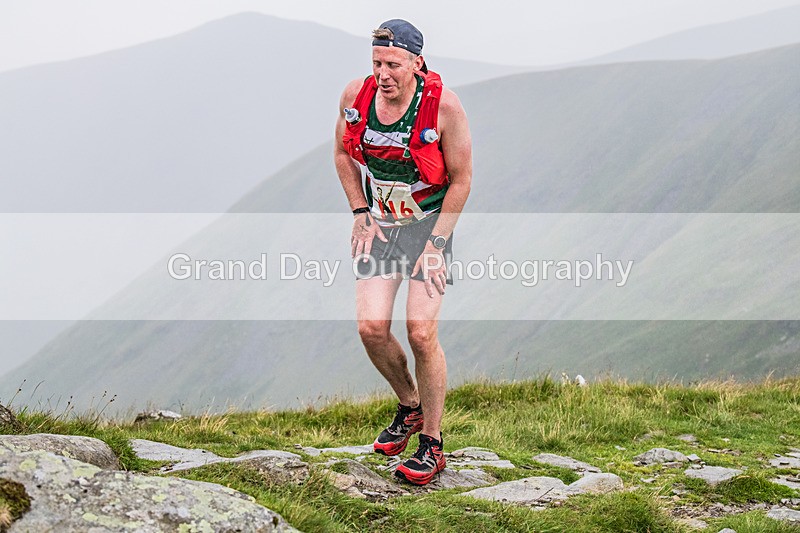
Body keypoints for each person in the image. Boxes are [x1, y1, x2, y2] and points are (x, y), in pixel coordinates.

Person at [333, 19, 472, 486]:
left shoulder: (443, 107)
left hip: (429, 229)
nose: (383, 73)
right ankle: (409, 405)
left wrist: (436, 245)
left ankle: (432, 443)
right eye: (376, 63)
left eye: (393, 64)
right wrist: (359, 211)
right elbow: (340, 154)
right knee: (371, 328)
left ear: (416, 61)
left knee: (420, 331)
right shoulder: (357, 97)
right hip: (382, 226)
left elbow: (463, 180)